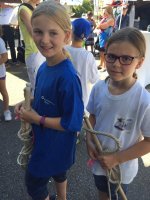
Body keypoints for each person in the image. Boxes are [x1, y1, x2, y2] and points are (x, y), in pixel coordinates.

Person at [15, 1, 84, 200]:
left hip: (54, 146)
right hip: (47, 143)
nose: (44, 40)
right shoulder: (44, 67)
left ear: (67, 36)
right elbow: (48, 98)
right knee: (59, 173)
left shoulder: (68, 77)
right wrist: (29, 103)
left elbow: (72, 122)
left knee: (34, 184)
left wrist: (36, 119)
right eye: (38, 32)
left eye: (53, 33)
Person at [86, 27, 150, 200]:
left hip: (121, 168)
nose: (116, 64)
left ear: (140, 62)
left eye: (126, 59)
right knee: (102, 191)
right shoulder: (99, 88)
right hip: (99, 161)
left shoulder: (143, 101)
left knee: (115, 195)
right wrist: (89, 140)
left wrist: (117, 158)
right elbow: (92, 117)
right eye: (111, 56)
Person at [65, 18, 100, 111]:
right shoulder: (88, 56)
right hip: (82, 101)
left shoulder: (63, 50)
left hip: (64, 96)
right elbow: (94, 79)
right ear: (87, 36)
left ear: (71, 33)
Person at [18, 0, 45, 95]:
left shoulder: (36, 8)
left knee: (43, 85)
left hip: (41, 51)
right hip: (34, 53)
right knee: (37, 88)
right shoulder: (23, 9)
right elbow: (33, 31)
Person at [97, 6, 115, 71]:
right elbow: (98, 26)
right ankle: (101, 65)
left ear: (108, 11)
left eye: (105, 11)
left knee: (104, 53)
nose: (104, 12)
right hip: (102, 38)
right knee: (101, 52)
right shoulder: (106, 18)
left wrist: (100, 25)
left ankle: (105, 67)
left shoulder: (111, 19)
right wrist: (99, 25)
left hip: (106, 39)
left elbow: (102, 26)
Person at [0, 26, 12, 121]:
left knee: (3, 91)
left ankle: (6, 111)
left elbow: (5, 57)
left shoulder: (0, 41)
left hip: (0, 73)